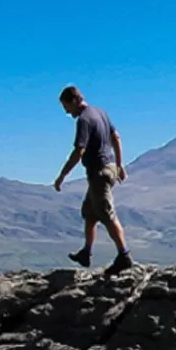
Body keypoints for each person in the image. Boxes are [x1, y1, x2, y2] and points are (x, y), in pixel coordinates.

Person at [53, 85, 134, 275]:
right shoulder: (100, 112)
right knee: (90, 212)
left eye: (66, 107)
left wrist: (62, 175)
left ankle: (124, 255)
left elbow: (79, 150)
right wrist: (120, 165)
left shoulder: (84, 120)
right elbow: (116, 136)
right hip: (109, 167)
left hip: (99, 172)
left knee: (107, 214)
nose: (66, 112)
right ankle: (86, 253)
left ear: (74, 100)